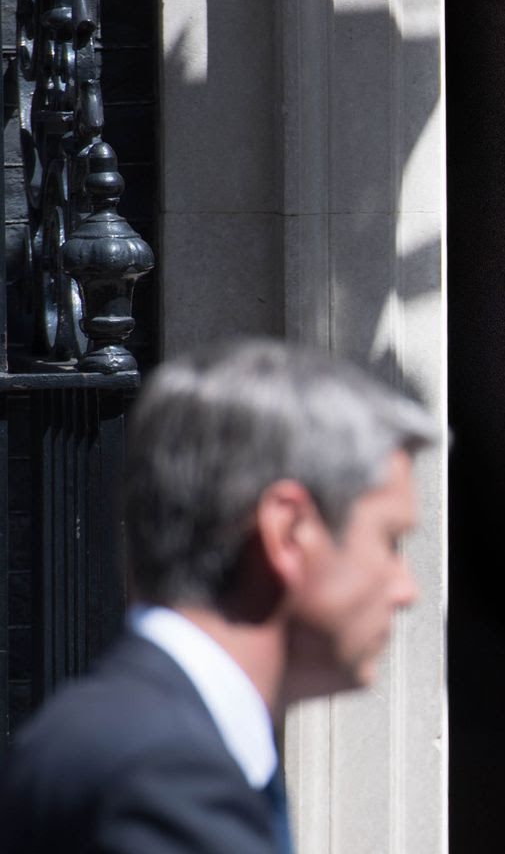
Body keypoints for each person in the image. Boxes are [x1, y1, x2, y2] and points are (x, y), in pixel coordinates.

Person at [0, 338, 436, 853]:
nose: (406, 590)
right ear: (288, 531)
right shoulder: (162, 775)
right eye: (389, 542)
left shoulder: (148, 739)